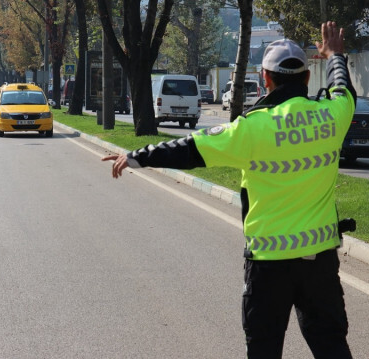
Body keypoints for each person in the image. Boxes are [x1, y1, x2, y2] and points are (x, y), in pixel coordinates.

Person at [102, 22, 356, 358]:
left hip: (269, 266)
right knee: (331, 346)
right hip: (320, 262)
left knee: (263, 350)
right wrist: (335, 54)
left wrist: (135, 157)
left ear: (266, 78)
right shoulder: (332, 117)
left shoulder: (251, 129)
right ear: (307, 79)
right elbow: (343, 89)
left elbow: (189, 148)